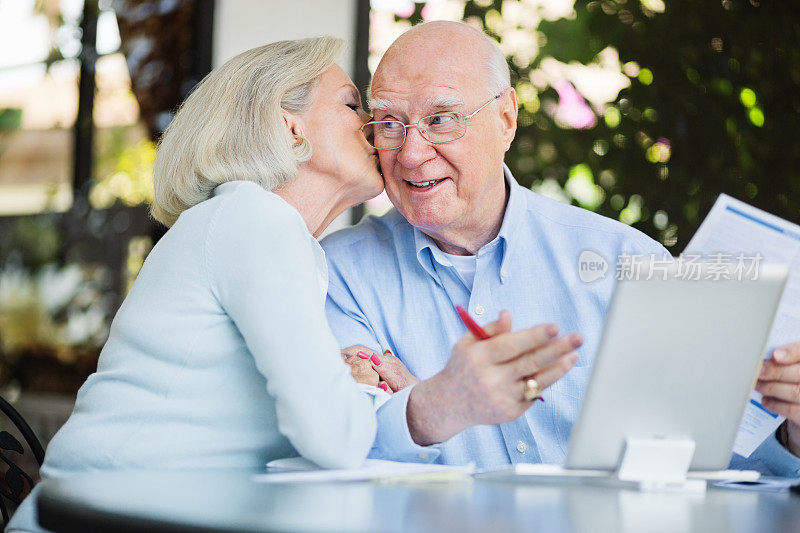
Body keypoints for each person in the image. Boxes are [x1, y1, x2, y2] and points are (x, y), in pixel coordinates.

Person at [323, 21, 800, 473]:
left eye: (441, 119)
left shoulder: (628, 262)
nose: (410, 153)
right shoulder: (340, 275)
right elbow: (340, 445)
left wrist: (795, 430)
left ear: (505, 119)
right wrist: (431, 409)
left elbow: (726, 461)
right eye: (389, 123)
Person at [7, 36, 382, 532]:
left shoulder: (264, 230)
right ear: (289, 124)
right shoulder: (254, 217)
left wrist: (341, 384)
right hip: (95, 519)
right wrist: (360, 391)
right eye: (353, 103)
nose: (372, 124)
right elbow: (335, 440)